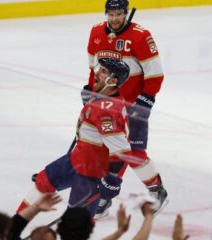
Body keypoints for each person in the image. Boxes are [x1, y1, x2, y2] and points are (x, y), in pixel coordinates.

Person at [17, 58, 131, 217]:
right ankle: (13, 227)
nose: (96, 72)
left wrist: (112, 181)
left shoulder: (107, 111)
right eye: (99, 68)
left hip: (92, 171)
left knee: (77, 222)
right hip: (77, 158)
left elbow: (121, 151)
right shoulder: (101, 94)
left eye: (103, 71)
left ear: (112, 81)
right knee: (43, 181)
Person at [84, 0, 167, 216]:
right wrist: (92, 92)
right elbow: (94, 70)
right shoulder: (96, 32)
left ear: (125, 13)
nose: (114, 18)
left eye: (119, 14)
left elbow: (155, 73)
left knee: (134, 152)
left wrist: (144, 102)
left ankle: (157, 190)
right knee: (111, 150)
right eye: (110, 14)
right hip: (108, 104)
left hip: (133, 106)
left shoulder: (140, 36)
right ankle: (104, 197)